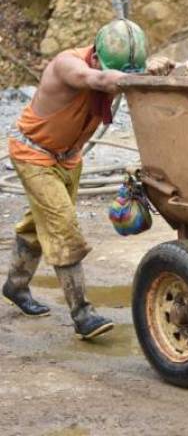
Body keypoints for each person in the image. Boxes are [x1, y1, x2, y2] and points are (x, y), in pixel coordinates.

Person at [2, 19, 147, 340]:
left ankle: (15, 284)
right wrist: (125, 79)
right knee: (62, 226)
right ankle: (83, 314)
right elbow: (93, 78)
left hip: (69, 157)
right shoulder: (69, 65)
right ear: (95, 55)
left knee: (39, 222)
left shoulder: (111, 67)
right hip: (34, 153)